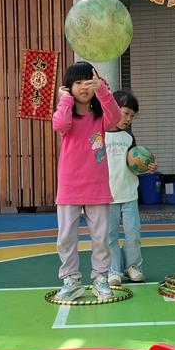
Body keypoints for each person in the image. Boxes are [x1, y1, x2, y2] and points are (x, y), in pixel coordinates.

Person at [52, 61, 122, 302]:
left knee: (101, 237)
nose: (84, 87)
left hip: (96, 186)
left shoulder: (100, 117)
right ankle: (71, 280)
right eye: (78, 83)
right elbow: (60, 124)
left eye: (88, 82)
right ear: (68, 87)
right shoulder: (66, 114)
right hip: (69, 187)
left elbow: (116, 117)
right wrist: (64, 100)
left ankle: (101, 278)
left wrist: (102, 89)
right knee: (66, 237)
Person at [105, 90, 157, 286]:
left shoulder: (129, 138)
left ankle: (133, 266)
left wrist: (148, 166)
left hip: (129, 195)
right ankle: (113, 270)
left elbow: (135, 164)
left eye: (132, 116)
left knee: (133, 234)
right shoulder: (99, 134)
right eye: (125, 113)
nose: (128, 119)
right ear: (111, 109)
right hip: (107, 197)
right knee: (109, 236)